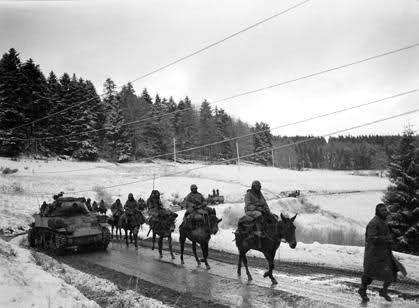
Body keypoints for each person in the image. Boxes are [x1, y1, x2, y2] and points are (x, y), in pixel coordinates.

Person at [358, 203, 406, 302]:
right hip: (374, 254)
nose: (386, 212)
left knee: (392, 271)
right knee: (369, 273)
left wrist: (389, 240)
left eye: (386, 210)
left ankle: (383, 290)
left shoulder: (383, 221)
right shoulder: (374, 223)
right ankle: (362, 290)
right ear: (378, 212)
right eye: (383, 210)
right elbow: (371, 238)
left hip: (385, 254)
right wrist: (386, 239)